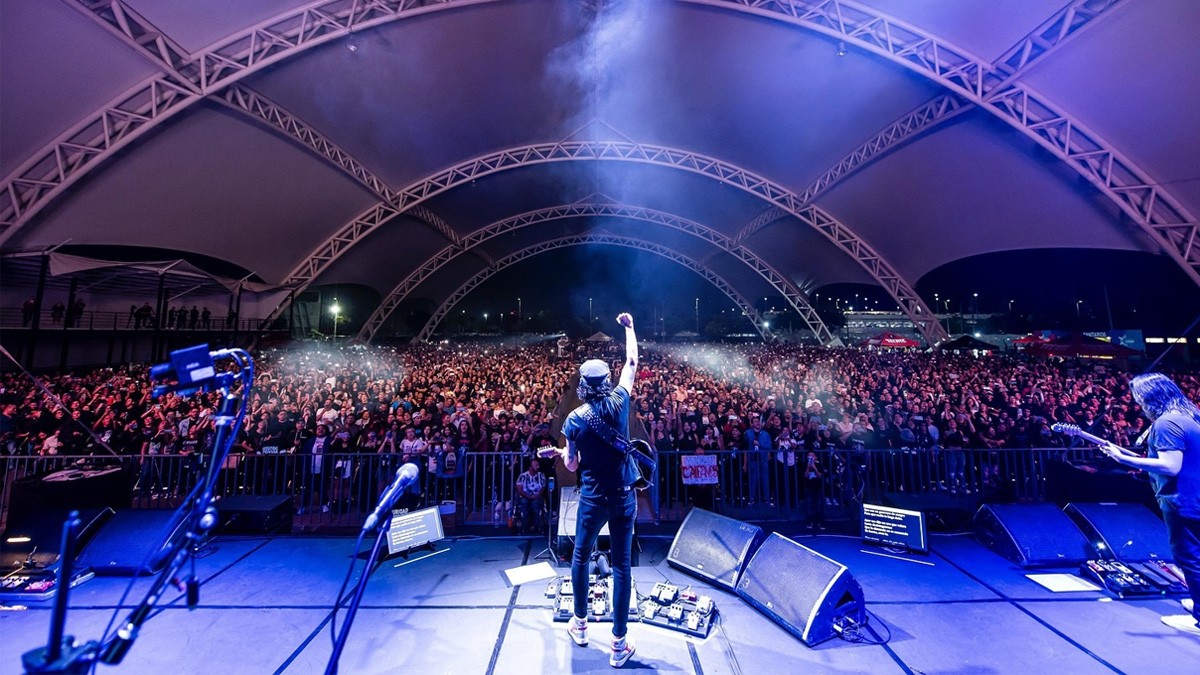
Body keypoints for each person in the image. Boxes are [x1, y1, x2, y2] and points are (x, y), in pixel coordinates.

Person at [540, 313, 639, 668]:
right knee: (623, 567)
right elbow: (631, 361)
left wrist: (566, 453)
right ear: (607, 381)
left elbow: (570, 465)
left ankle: (580, 626)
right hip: (624, 495)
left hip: (593, 497)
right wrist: (628, 327)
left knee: (581, 557)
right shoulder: (620, 402)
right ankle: (618, 644)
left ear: (582, 384)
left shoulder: (574, 419)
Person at [1098, 373, 1200, 635]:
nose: (1138, 405)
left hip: (1183, 500)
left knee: (1189, 557)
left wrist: (1125, 460)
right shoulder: (1190, 417)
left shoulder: (1166, 424)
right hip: (1195, 495)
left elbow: (1170, 465)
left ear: (1150, 397)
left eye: (1139, 400)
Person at [515, 457, 546, 533]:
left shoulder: (541, 475)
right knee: (524, 503)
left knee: (536, 504)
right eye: (536, 465)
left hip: (537, 496)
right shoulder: (522, 476)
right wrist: (528, 496)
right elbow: (519, 489)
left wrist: (536, 496)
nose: (538, 467)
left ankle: (537, 527)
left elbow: (543, 488)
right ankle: (524, 527)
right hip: (525, 496)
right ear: (530, 467)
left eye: (538, 465)